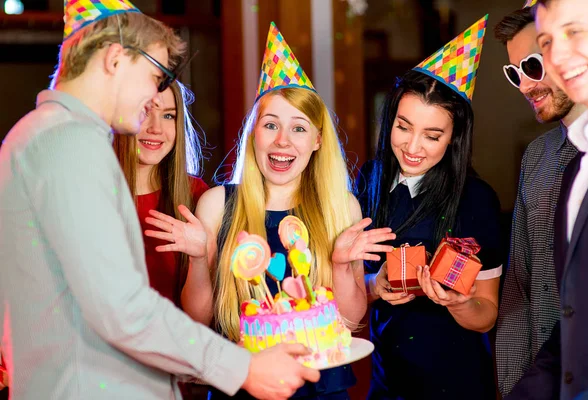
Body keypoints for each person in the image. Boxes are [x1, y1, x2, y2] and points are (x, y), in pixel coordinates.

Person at [0, 2, 319, 399]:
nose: (155, 94)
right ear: (116, 59)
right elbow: (121, 307)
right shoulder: (71, 143)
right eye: (155, 75)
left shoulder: (34, 136)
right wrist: (242, 366)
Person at [147, 22, 392, 399]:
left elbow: (351, 320)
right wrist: (200, 260)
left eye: (298, 128)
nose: (282, 141)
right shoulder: (217, 203)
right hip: (242, 387)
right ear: (253, 134)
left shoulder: (341, 206)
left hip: (322, 388)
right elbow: (199, 319)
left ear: (317, 140)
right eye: (271, 124)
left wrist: (342, 265)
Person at [357, 16, 504, 399]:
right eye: (403, 127)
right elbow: (343, 283)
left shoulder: (477, 199)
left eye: (432, 135)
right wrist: (376, 286)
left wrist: (460, 302)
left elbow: (487, 315)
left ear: (454, 138)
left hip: (457, 383)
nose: (413, 147)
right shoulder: (367, 180)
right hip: (385, 380)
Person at [507, 0, 588, 398]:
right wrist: (513, 384)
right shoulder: (541, 159)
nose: (526, 84)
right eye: (515, 74)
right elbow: (520, 281)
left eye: (532, 65)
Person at [113, 80, 209, 308]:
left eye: (168, 116)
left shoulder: (197, 195)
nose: (156, 128)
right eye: (145, 112)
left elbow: (202, 319)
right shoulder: (93, 192)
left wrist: (200, 258)